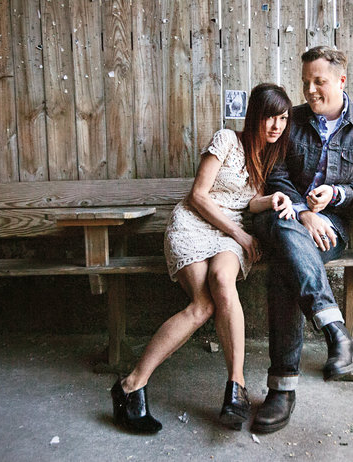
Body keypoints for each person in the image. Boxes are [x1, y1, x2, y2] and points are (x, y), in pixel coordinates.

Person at [110, 83, 295, 434]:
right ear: (255, 115)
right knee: (202, 305)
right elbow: (198, 195)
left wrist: (273, 200)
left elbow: (249, 201)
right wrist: (240, 234)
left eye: (283, 118)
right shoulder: (226, 139)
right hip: (194, 224)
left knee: (223, 281)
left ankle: (236, 388)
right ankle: (131, 384)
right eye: (271, 117)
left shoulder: (270, 156)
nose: (277, 125)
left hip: (230, 233)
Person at [251, 46, 353, 434]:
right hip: (285, 216)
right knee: (286, 234)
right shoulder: (290, 120)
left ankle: (282, 390)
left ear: (341, 80)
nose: (309, 90)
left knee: (285, 266)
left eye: (318, 81)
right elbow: (274, 174)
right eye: (305, 82)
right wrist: (303, 211)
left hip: (331, 229)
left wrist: (337, 194)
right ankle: (336, 333)